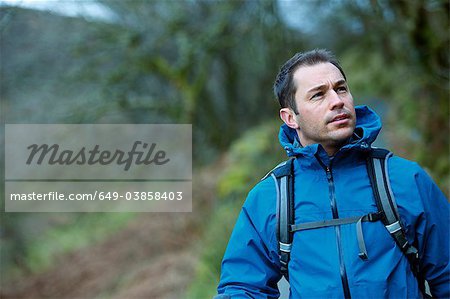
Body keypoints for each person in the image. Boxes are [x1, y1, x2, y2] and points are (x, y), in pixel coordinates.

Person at [215, 49, 449, 298]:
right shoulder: (270, 198)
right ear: (290, 118)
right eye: (318, 95)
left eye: (341, 89)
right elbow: (243, 287)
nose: (337, 101)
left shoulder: (405, 180)